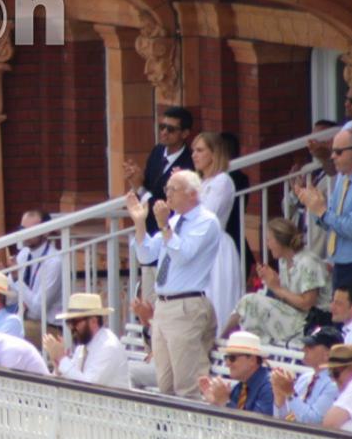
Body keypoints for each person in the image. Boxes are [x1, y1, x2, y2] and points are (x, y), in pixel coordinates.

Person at [126, 169, 221, 400]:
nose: (166, 194)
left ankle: (190, 434)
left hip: (186, 305)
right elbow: (146, 255)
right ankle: (166, 435)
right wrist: (140, 223)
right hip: (164, 305)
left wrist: (164, 226)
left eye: (172, 189)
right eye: (166, 188)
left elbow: (184, 255)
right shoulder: (175, 221)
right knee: (165, 383)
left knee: (186, 384)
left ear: (192, 194)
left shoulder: (206, 221)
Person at [296, 127, 352, 294]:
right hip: (342, 264)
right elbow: (333, 223)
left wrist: (323, 212)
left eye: (338, 152)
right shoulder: (342, 179)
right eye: (332, 152)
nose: (332, 157)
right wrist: (315, 208)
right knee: (340, 318)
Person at [226, 217, 330, 345]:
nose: (267, 245)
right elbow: (286, 298)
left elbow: (307, 304)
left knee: (250, 301)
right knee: (253, 305)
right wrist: (273, 282)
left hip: (310, 322)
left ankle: (225, 338)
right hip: (294, 316)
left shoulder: (308, 262)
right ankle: (234, 341)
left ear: (280, 241)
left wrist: (277, 288)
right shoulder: (283, 262)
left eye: (269, 240)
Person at [191, 131, 243, 333]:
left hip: (216, 246)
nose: (195, 155)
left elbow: (207, 215)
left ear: (214, 153)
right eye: (193, 150)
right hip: (200, 246)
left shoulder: (222, 181)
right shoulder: (201, 183)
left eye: (200, 150)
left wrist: (186, 194)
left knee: (217, 296)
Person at [125, 107, 195, 238]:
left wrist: (139, 188)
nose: (164, 132)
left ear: (185, 133)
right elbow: (148, 186)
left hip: (170, 232)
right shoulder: (157, 151)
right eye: (162, 127)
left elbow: (168, 204)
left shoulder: (189, 164)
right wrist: (136, 179)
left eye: (171, 129)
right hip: (148, 229)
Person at [44, 292, 131, 388]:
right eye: (69, 322)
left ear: (93, 321)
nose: (71, 328)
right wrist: (57, 363)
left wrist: (62, 359)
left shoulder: (108, 347)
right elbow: (73, 377)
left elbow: (88, 387)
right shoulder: (83, 347)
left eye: (74, 322)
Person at [271, 326, 343, 423]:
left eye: (310, 346)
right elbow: (286, 418)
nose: (303, 349)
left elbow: (313, 421)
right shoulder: (305, 378)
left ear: (328, 354)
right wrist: (280, 400)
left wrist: (290, 393)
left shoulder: (334, 384)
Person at [13, 210, 63, 347]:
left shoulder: (54, 262)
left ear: (46, 232)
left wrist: (17, 280)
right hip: (25, 320)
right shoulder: (23, 255)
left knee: (10, 331)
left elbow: (38, 310)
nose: (26, 234)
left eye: (32, 230)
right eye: (23, 229)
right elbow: (12, 298)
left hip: (50, 328)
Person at [199, 331, 274, 414]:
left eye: (232, 358)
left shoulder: (270, 387)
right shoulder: (239, 388)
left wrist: (224, 402)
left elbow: (259, 424)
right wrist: (215, 403)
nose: (227, 364)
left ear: (252, 360)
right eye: (227, 357)